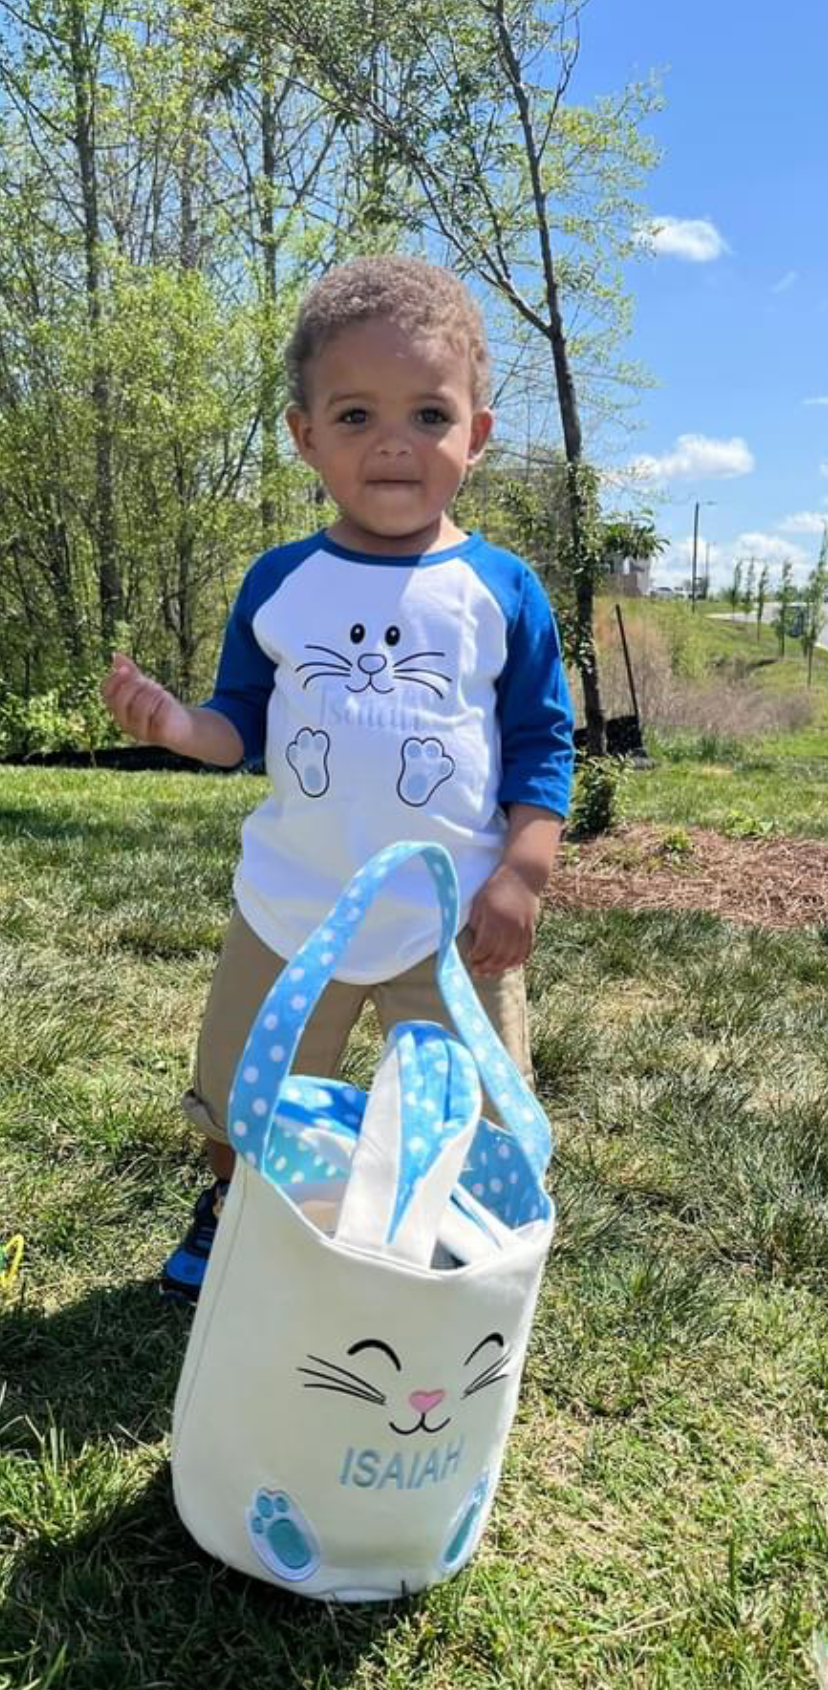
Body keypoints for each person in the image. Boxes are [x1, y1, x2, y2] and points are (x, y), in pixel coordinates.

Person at [101, 254, 575, 1303]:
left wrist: (524, 874)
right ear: (304, 435)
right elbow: (241, 726)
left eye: (429, 414)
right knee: (241, 1094)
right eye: (355, 415)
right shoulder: (282, 582)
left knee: (476, 1109)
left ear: (477, 437)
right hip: (293, 910)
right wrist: (180, 725)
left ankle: (453, 1246)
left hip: (453, 926)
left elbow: (544, 745)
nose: (394, 442)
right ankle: (234, 1209)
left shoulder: (501, 590)